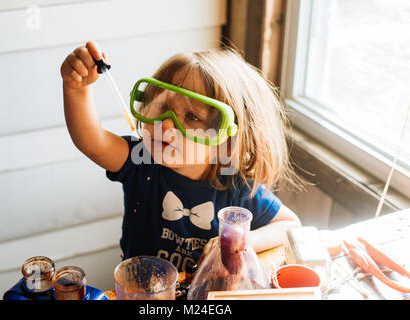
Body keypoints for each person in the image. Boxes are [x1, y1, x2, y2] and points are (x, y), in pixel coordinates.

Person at [60, 41, 301, 272]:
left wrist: (244, 239)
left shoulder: (237, 187)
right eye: (162, 107)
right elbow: (91, 141)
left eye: (192, 116)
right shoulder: (142, 160)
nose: (165, 124)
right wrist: (76, 88)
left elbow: (289, 226)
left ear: (227, 141)